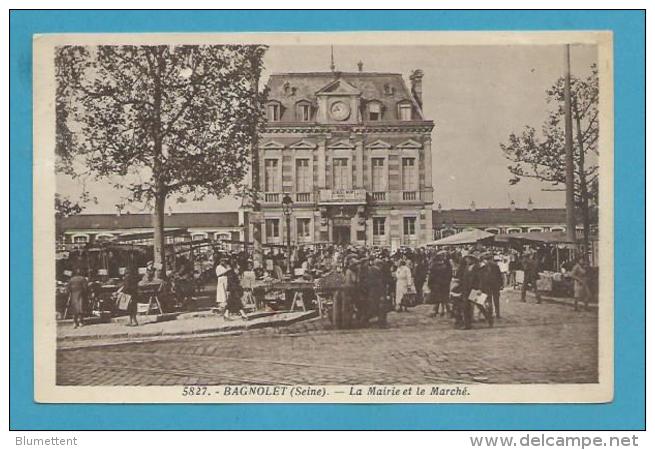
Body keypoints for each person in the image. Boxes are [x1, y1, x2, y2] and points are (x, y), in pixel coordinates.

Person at [457, 253, 481, 330]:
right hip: (466, 289)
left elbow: (480, 279)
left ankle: (489, 318)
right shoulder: (467, 267)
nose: (467, 260)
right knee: (466, 307)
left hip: (474, 289)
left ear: (472, 260)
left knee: (478, 305)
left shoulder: (477, 268)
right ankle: (467, 324)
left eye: (468, 258)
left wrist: (479, 288)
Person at [428, 251, 453, 317]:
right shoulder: (444, 265)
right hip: (441, 284)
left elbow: (431, 275)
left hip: (440, 284)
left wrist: (430, 284)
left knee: (441, 298)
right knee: (441, 298)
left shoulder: (435, 265)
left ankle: (443, 311)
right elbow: (432, 275)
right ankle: (442, 311)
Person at [480, 252, 503, 319]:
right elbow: (499, 276)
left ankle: (490, 313)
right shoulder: (496, 265)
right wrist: (501, 284)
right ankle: (497, 314)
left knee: (489, 300)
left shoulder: (483, 266)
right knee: (496, 300)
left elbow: (482, 277)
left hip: (488, 285)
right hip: (495, 285)